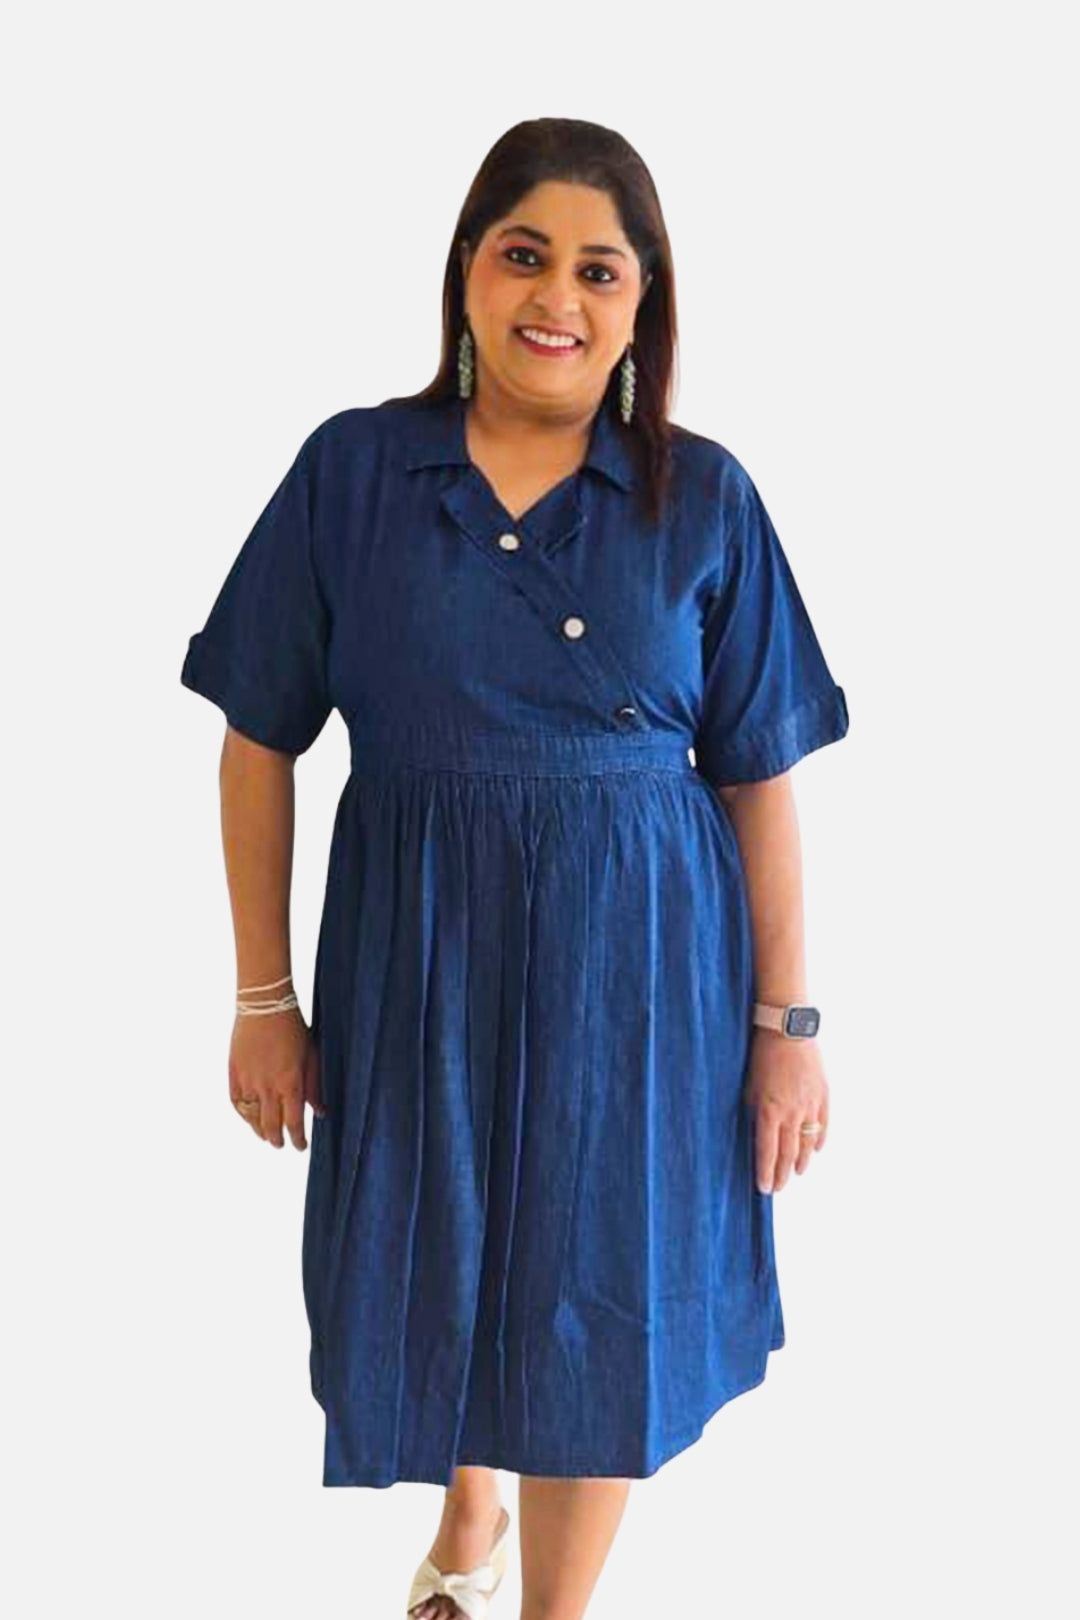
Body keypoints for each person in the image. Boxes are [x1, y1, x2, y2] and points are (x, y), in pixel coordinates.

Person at [180, 117, 850, 1620]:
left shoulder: (704, 498)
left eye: (599, 270)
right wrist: (262, 999)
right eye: (524, 254)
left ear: (642, 302)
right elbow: (257, 738)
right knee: (441, 1262)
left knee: (598, 1299)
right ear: (468, 271)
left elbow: (760, 773)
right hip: (418, 951)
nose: (557, 296)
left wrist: (788, 1027)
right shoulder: (355, 472)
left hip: (641, 974)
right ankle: (471, 1498)